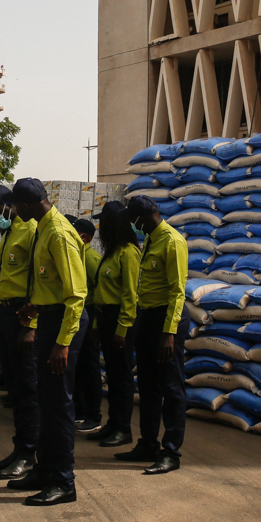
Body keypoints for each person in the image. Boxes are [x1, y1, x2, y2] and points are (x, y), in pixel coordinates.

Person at [8, 178, 87, 506]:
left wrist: (62, 343)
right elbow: (51, 282)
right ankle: (44, 469)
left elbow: (76, 294)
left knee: (58, 406)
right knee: (45, 398)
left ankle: (63, 481)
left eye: (14, 206)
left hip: (65, 324)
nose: (12, 211)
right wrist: (35, 305)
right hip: (50, 316)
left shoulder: (57, 232)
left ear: (24, 206)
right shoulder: (42, 227)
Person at [116, 194, 191, 475]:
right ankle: (147, 444)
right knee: (147, 386)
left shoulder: (172, 241)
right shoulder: (150, 238)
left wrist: (168, 333)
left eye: (133, 221)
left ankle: (171, 452)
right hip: (148, 317)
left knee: (171, 388)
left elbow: (178, 291)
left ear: (140, 219)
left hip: (166, 321)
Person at [0, 184, 39, 480]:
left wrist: (31, 327)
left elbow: (38, 284)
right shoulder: (9, 233)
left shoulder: (29, 232)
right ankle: (19, 449)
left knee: (28, 390)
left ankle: (29, 454)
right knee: (14, 389)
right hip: (6, 313)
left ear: (9, 206)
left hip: (23, 315)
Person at [86, 201, 141, 448]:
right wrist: (97, 324)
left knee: (122, 376)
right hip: (106, 318)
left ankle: (123, 428)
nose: (100, 226)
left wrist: (122, 329)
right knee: (113, 374)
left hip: (121, 320)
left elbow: (130, 295)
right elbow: (100, 291)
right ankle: (112, 424)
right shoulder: (112, 251)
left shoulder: (129, 252)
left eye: (103, 221)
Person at [72, 218, 103, 434]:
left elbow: (99, 291)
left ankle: (93, 414)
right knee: (79, 366)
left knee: (89, 367)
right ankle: (80, 411)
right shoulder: (78, 255)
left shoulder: (91, 259)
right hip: (79, 312)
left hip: (90, 313)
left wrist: (95, 325)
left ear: (85, 237)